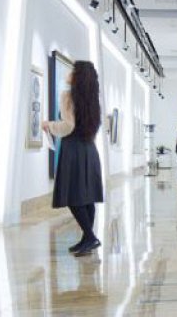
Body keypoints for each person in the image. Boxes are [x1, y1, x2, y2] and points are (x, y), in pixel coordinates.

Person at [42, 60, 104, 257]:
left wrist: (49, 125)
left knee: (73, 196)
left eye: (72, 70)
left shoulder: (67, 96)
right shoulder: (93, 100)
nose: (68, 73)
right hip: (89, 150)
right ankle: (87, 239)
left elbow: (68, 125)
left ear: (78, 76)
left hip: (74, 149)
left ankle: (90, 237)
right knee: (87, 197)